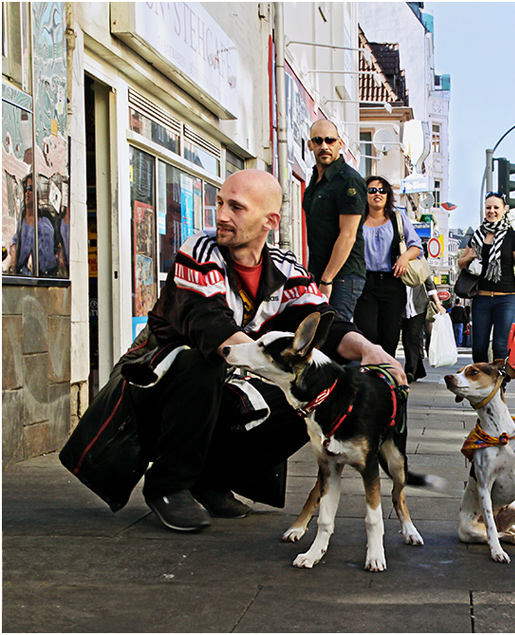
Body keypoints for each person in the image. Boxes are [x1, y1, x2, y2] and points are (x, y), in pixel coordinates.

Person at [69, 170, 404, 532]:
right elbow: (212, 329)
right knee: (202, 362)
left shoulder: (285, 267)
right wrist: (278, 366)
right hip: (156, 383)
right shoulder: (198, 254)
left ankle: (211, 480)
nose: (222, 215)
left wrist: (370, 350)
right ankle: (169, 485)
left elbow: (324, 322)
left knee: (314, 394)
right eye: (220, 203)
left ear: (269, 221)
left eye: (236, 207)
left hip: (232, 381)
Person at [457, 192, 515, 362]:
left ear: (504, 210)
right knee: (479, 348)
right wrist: (468, 257)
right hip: (481, 299)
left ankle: (499, 387)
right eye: (488, 207)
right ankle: (482, 386)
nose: (491, 211)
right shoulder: (477, 236)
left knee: (500, 346)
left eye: (496, 207)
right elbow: (461, 263)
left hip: (506, 300)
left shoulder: (513, 237)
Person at [303, 119, 366, 322]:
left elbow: (348, 235)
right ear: (310, 145)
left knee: (337, 334)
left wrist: (327, 279)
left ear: (340, 144)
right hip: (319, 272)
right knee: (321, 335)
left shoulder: (348, 180)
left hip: (343, 275)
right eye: (318, 140)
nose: (324, 146)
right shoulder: (315, 180)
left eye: (330, 140)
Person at [354, 176, 424, 356]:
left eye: (382, 190)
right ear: (365, 194)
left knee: (390, 335)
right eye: (372, 190)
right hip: (365, 283)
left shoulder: (398, 218)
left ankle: (385, 377)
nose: (377, 194)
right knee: (367, 333)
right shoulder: (357, 220)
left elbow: (416, 246)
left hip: (393, 283)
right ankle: (369, 374)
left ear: (388, 195)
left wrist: (404, 258)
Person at [401, 276, 444, 383]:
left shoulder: (419, 262)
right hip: (399, 306)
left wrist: (437, 303)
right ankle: (417, 370)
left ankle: (410, 370)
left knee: (412, 335)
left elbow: (429, 283)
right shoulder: (395, 261)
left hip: (418, 307)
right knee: (406, 338)